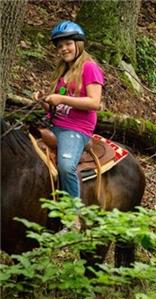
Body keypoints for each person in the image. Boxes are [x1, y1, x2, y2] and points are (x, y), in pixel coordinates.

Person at [34, 20, 104, 203]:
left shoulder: (89, 67)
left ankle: (73, 217)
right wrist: (45, 101)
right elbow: (59, 107)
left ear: (78, 44)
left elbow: (95, 102)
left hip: (76, 129)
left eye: (68, 44)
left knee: (65, 166)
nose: (64, 48)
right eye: (60, 46)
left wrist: (61, 98)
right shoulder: (64, 71)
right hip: (55, 124)